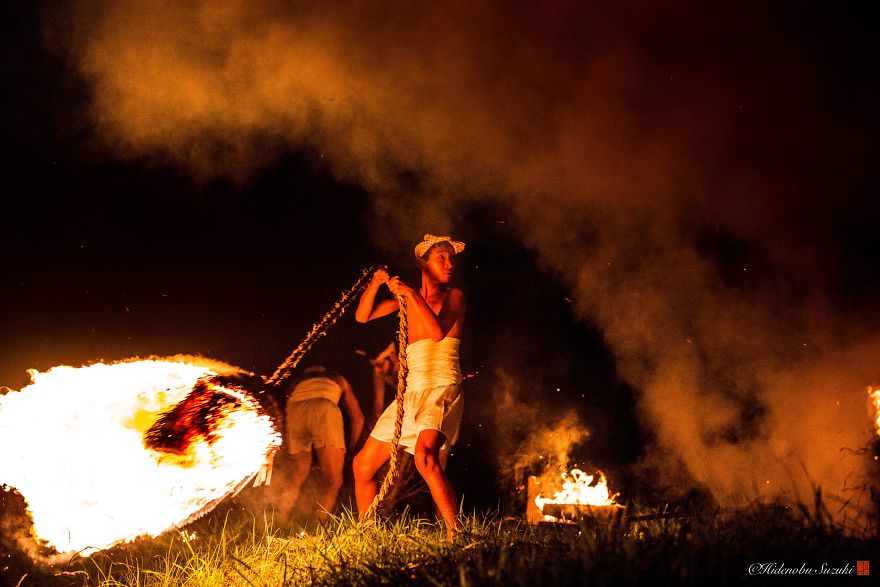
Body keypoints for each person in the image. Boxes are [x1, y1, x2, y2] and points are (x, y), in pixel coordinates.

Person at [353, 233, 466, 539]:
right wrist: (377, 283)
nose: (449, 264)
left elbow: (437, 332)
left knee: (425, 458)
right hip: (410, 393)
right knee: (362, 466)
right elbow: (362, 316)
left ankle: (456, 534)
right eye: (441, 257)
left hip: (441, 386)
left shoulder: (453, 296)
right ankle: (369, 535)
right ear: (423, 263)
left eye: (451, 258)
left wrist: (410, 295)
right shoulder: (405, 298)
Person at [282, 365, 364, 523]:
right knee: (333, 479)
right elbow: (358, 418)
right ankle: (317, 525)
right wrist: (350, 449)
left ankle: (278, 517)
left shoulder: (297, 382)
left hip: (294, 410)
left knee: (297, 473)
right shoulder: (337, 378)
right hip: (324, 407)